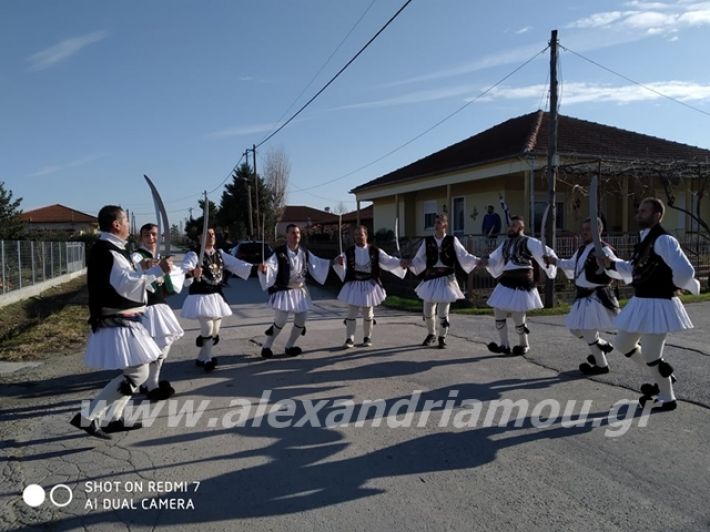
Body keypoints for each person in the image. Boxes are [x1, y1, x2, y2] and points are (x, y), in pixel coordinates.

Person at [70, 206, 171, 439]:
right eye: (126, 220)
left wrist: (142, 267)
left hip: (123, 319)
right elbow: (124, 284)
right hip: (117, 320)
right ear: (116, 224)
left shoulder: (112, 249)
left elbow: (123, 277)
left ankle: (113, 418)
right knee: (137, 373)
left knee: (138, 372)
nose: (128, 225)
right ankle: (87, 416)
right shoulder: (108, 250)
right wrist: (157, 271)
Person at [598, 197, 699, 411]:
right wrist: (611, 263)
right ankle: (663, 374)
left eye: (644, 211)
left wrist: (672, 285)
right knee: (623, 344)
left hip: (660, 304)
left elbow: (686, 271)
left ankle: (668, 397)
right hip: (641, 301)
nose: (639, 214)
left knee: (652, 355)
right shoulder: (644, 240)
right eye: (639, 210)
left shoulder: (664, 240)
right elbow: (633, 268)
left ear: (657, 215)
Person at [546, 217, 623, 375]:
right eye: (583, 229)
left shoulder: (604, 249)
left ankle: (601, 365)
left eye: (588, 229)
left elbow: (617, 267)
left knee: (588, 331)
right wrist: (556, 261)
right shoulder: (582, 249)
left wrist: (609, 264)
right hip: (583, 296)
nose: (584, 232)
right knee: (575, 329)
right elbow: (572, 265)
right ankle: (601, 345)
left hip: (597, 296)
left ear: (598, 230)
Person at [480, 215, 557, 355]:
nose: (510, 227)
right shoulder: (505, 244)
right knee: (498, 311)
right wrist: (486, 261)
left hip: (522, 281)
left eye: (514, 225)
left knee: (518, 316)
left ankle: (524, 344)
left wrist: (549, 262)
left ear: (521, 228)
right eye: (510, 225)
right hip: (506, 281)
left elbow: (546, 252)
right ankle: (504, 345)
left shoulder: (529, 242)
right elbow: (495, 258)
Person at [181, 227, 253, 371]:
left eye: (212, 234)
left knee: (215, 331)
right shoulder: (194, 254)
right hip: (200, 296)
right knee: (207, 327)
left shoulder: (219, 254)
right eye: (207, 234)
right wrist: (192, 272)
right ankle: (208, 359)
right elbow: (185, 268)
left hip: (216, 297)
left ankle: (201, 357)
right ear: (199, 238)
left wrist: (257, 268)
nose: (211, 236)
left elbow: (236, 264)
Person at [407, 214, 480, 348]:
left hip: (447, 279)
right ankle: (431, 334)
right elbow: (419, 258)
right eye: (435, 223)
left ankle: (442, 337)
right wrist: (409, 263)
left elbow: (463, 255)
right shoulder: (427, 241)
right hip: (431, 278)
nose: (436, 225)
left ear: (445, 225)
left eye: (439, 223)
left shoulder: (452, 240)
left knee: (443, 312)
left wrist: (477, 261)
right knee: (428, 309)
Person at [257, 224, 330, 358]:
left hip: (300, 291)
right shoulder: (279, 252)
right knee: (280, 321)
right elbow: (271, 265)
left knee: (301, 321)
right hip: (285, 291)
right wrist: (265, 269)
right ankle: (266, 346)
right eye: (292, 233)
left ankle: (289, 345)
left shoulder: (304, 252)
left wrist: (333, 262)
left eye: (297, 233)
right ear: (287, 235)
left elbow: (316, 263)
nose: (296, 235)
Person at [130, 223, 184, 400]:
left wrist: (190, 274)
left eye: (154, 235)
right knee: (154, 346)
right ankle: (150, 383)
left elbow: (176, 276)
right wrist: (149, 263)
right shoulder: (138, 255)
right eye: (147, 235)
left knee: (164, 345)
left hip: (160, 305)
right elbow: (138, 264)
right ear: (141, 238)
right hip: (146, 305)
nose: (151, 238)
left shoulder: (161, 256)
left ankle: (151, 381)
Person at [333, 225, 407, 348]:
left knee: (368, 313)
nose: (358, 237)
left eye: (360, 234)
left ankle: (367, 337)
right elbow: (339, 262)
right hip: (354, 284)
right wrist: (339, 262)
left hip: (369, 284)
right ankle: (349, 339)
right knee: (352, 312)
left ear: (366, 235)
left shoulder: (375, 251)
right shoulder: (348, 252)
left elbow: (388, 260)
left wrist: (400, 262)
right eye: (356, 235)